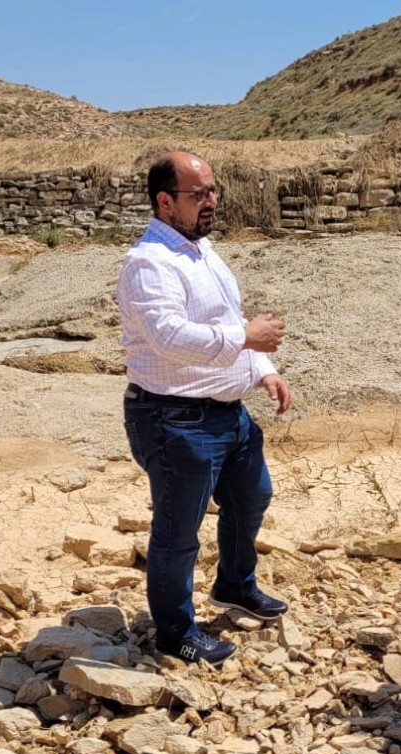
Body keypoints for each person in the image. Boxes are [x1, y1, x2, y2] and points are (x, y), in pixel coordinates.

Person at [116, 151, 292, 666]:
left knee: (252, 497)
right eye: (200, 194)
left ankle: (234, 586)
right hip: (173, 419)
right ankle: (175, 632)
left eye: (213, 191)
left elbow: (227, 319)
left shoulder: (203, 251)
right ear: (165, 201)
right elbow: (170, 337)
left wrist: (264, 370)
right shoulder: (147, 263)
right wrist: (246, 337)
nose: (212, 201)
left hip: (226, 413)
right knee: (177, 532)